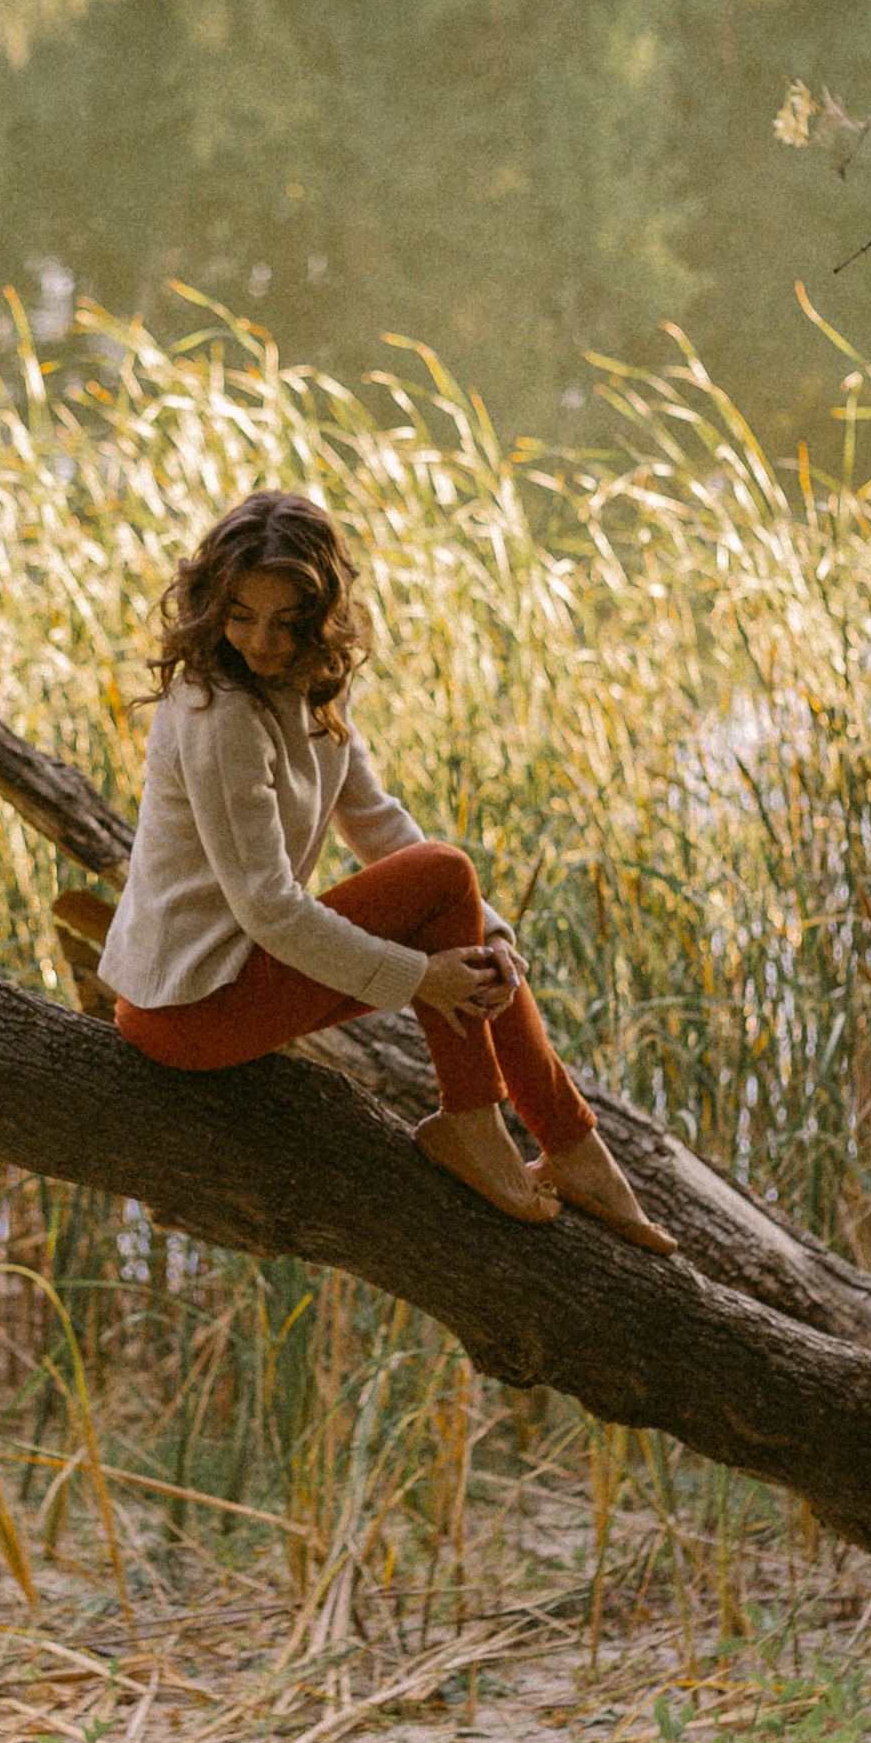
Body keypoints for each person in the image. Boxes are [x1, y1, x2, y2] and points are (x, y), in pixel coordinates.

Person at [98, 492, 677, 1241]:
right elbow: (270, 907)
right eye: (240, 616)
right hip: (189, 1012)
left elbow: (374, 821)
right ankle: (479, 1125)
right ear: (211, 606)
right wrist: (419, 978)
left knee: (458, 910)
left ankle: (570, 1146)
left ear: (320, 617)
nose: (262, 642)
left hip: (238, 980)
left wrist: (493, 937)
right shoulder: (219, 714)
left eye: (285, 622)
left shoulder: (306, 686)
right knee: (442, 875)